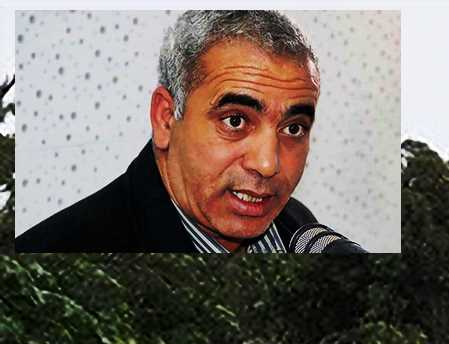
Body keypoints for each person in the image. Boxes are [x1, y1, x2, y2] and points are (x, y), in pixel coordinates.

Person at [17, 10, 360, 253]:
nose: (267, 164)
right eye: (235, 121)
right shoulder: (57, 245)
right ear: (166, 119)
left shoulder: (302, 230)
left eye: (293, 127)